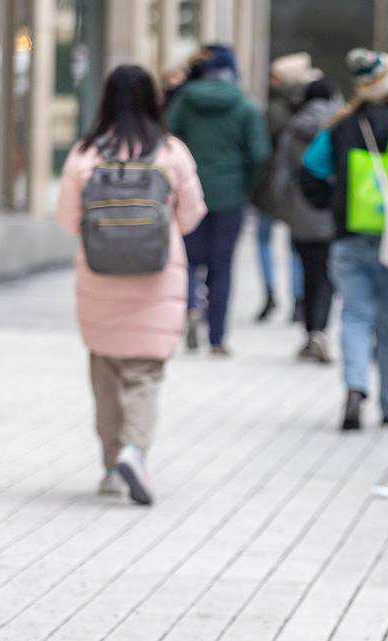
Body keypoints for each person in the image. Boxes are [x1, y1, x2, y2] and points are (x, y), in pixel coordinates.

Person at [55, 65, 207, 506]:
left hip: (98, 275)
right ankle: (135, 451)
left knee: (105, 371)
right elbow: (193, 214)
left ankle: (108, 467)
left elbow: (67, 219)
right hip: (157, 276)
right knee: (144, 372)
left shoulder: (85, 154)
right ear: (153, 100)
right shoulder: (171, 151)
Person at [299, 48, 388, 430]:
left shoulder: (340, 127)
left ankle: (355, 389)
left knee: (355, 314)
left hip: (349, 236)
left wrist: (334, 205)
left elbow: (309, 173)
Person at [168, 44, 270, 356]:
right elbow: (259, 154)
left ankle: (189, 312)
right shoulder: (246, 106)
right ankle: (217, 337)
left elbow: (167, 138)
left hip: (188, 195)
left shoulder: (185, 100)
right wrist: (245, 185)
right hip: (229, 198)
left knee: (187, 261)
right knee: (222, 266)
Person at [269, 77, 342, 363]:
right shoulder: (341, 127)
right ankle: (321, 331)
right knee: (326, 276)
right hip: (332, 212)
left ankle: (310, 330)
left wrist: (284, 209)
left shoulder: (294, 127)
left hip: (300, 212)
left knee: (308, 272)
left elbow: (281, 173)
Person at [251, 53, 322, 323]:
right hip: (300, 187)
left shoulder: (273, 111)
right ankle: (298, 298)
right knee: (295, 245)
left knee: (264, 241)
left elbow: (260, 150)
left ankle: (270, 291)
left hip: (270, 186)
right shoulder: (310, 111)